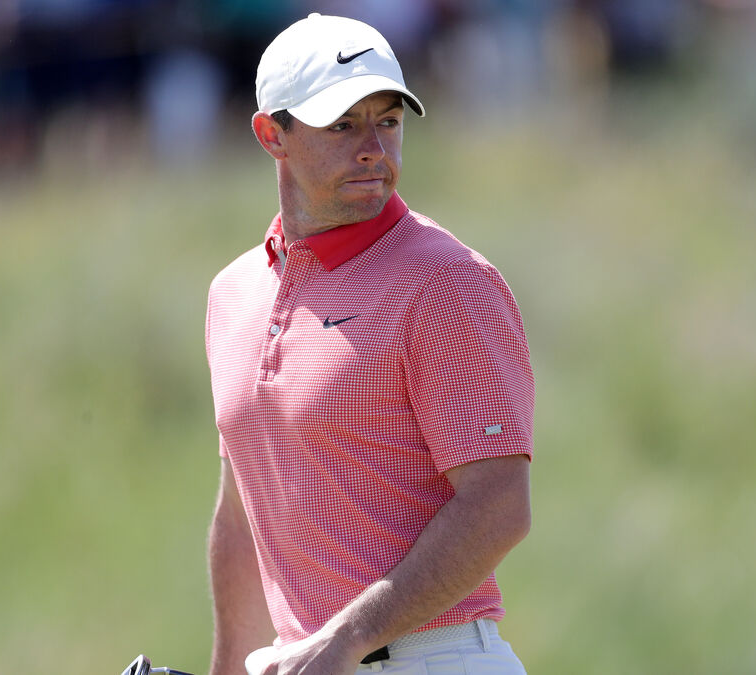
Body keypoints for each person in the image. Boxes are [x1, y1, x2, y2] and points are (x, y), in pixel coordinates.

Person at [203, 13, 534, 675]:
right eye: (342, 125)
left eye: (388, 121)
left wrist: (346, 637)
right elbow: (243, 515)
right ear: (272, 134)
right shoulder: (233, 293)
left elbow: (499, 504)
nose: (373, 149)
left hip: (433, 659)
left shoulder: (446, 280)